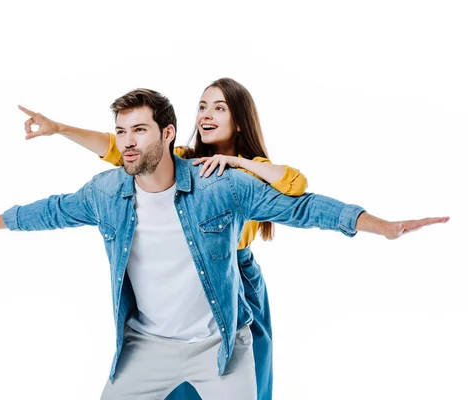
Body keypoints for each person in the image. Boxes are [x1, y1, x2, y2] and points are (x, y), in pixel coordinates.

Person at [0, 88, 448, 400]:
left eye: (140, 129)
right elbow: (49, 210)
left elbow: (300, 203)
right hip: (145, 348)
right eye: (122, 132)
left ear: (167, 132)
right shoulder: (107, 192)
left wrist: (381, 225)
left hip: (219, 344)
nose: (129, 141)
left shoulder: (220, 183)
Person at [18, 78, 308, 399]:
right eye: (201, 106)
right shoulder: (184, 160)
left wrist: (235, 162)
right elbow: (118, 149)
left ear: (239, 122)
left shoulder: (253, 171)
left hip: (236, 278)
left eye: (219, 108)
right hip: (185, 271)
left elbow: (295, 184)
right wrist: (59, 128)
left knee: (245, 369)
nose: (206, 115)